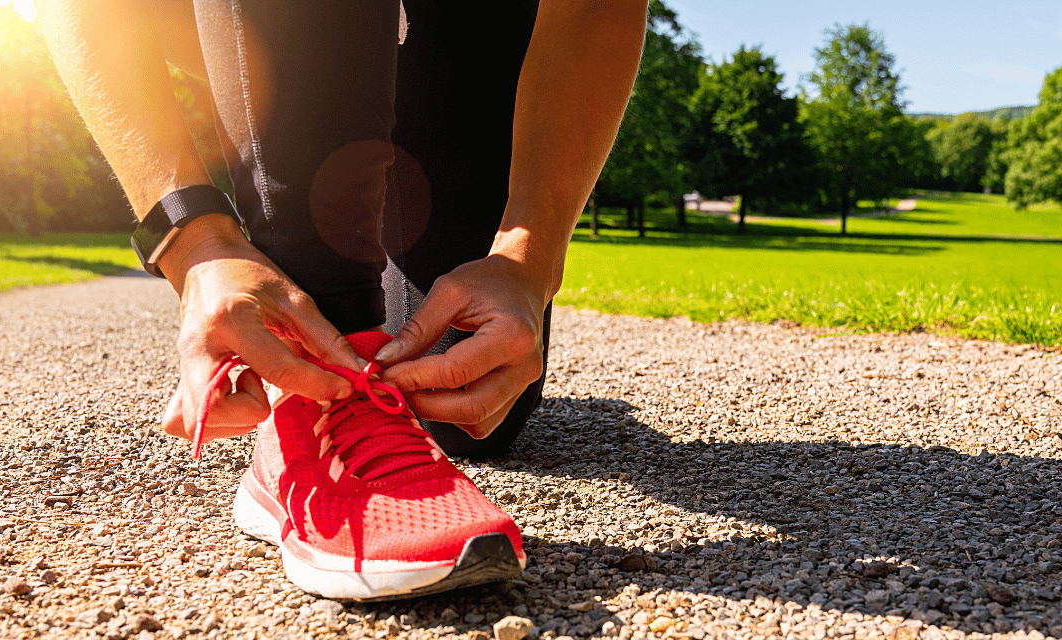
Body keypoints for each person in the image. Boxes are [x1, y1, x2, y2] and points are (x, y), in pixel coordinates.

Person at [34, 0, 644, 600]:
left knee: (465, 410)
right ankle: (303, 411)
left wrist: (526, 262)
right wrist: (194, 242)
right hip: (279, 37)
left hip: (454, 49)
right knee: (367, 369)